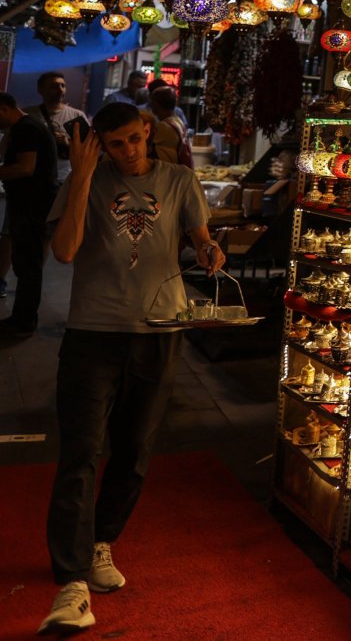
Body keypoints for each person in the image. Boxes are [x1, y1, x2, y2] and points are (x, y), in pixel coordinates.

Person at [38, 102, 224, 634]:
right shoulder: (87, 180)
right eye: (114, 144)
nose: (126, 151)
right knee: (79, 452)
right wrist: (80, 177)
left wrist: (210, 251)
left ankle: (100, 541)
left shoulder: (180, 179)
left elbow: (200, 237)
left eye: (132, 140)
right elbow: (66, 252)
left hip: (160, 331)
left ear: (147, 131)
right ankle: (71, 580)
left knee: (136, 450)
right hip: (92, 333)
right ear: (99, 143)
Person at [0, 93, 59, 337]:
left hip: (32, 207)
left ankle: (23, 321)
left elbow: (25, 168)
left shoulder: (27, 129)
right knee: (27, 264)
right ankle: (22, 318)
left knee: (28, 266)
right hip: (31, 205)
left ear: (3, 108)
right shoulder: (26, 126)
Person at [31, 71, 89, 185]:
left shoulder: (77, 116)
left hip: (65, 179)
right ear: (40, 90)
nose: (60, 89)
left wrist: (67, 143)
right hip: (35, 178)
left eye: (63, 86)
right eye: (54, 86)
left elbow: (88, 148)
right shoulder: (29, 115)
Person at [147, 86, 192, 168]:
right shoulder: (177, 120)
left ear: (156, 104)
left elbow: (153, 153)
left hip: (168, 172)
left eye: (152, 101)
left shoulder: (163, 126)